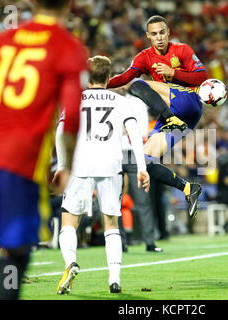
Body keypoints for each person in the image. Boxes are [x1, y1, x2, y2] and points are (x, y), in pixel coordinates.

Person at [0, 0, 88, 300]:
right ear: (68, 5)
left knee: (7, 250)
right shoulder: (68, 47)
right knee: (16, 254)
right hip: (18, 164)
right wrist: (65, 165)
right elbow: (72, 114)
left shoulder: (0, 42)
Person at [54, 56, 150, 295]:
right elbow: (135, 134)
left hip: (80, 164)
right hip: (110, 164)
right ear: (109, 78)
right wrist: (141, 167)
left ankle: (70, 264)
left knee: (69, 220)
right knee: (111, 223)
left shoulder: (75, 100)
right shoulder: (121, 101)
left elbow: (60, 131)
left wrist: (62, 164)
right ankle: (114, 279)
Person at [107, 15, 208, 219]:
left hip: (189, 102)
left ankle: (170, 118)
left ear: (168, 32)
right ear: (148, 36)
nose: (159, 37)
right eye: (154, 34)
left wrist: (173, 72)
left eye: (162, 32)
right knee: (143, 162)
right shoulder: (144, 57)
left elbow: (202, 77)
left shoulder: (182, 50)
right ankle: (189, 188)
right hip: (178, 118)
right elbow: (125, 77)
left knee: (137, 85)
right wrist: (100, 84)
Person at [121, 92, 162, 252]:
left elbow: (143, 130)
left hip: (133, 152)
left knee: (142, 198)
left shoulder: (138, 102)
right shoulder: (112, 100)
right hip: (115, 151)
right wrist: (126, 130)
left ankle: (150, 242)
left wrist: (125, 130)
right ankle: (119, 242)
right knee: (113, 200)